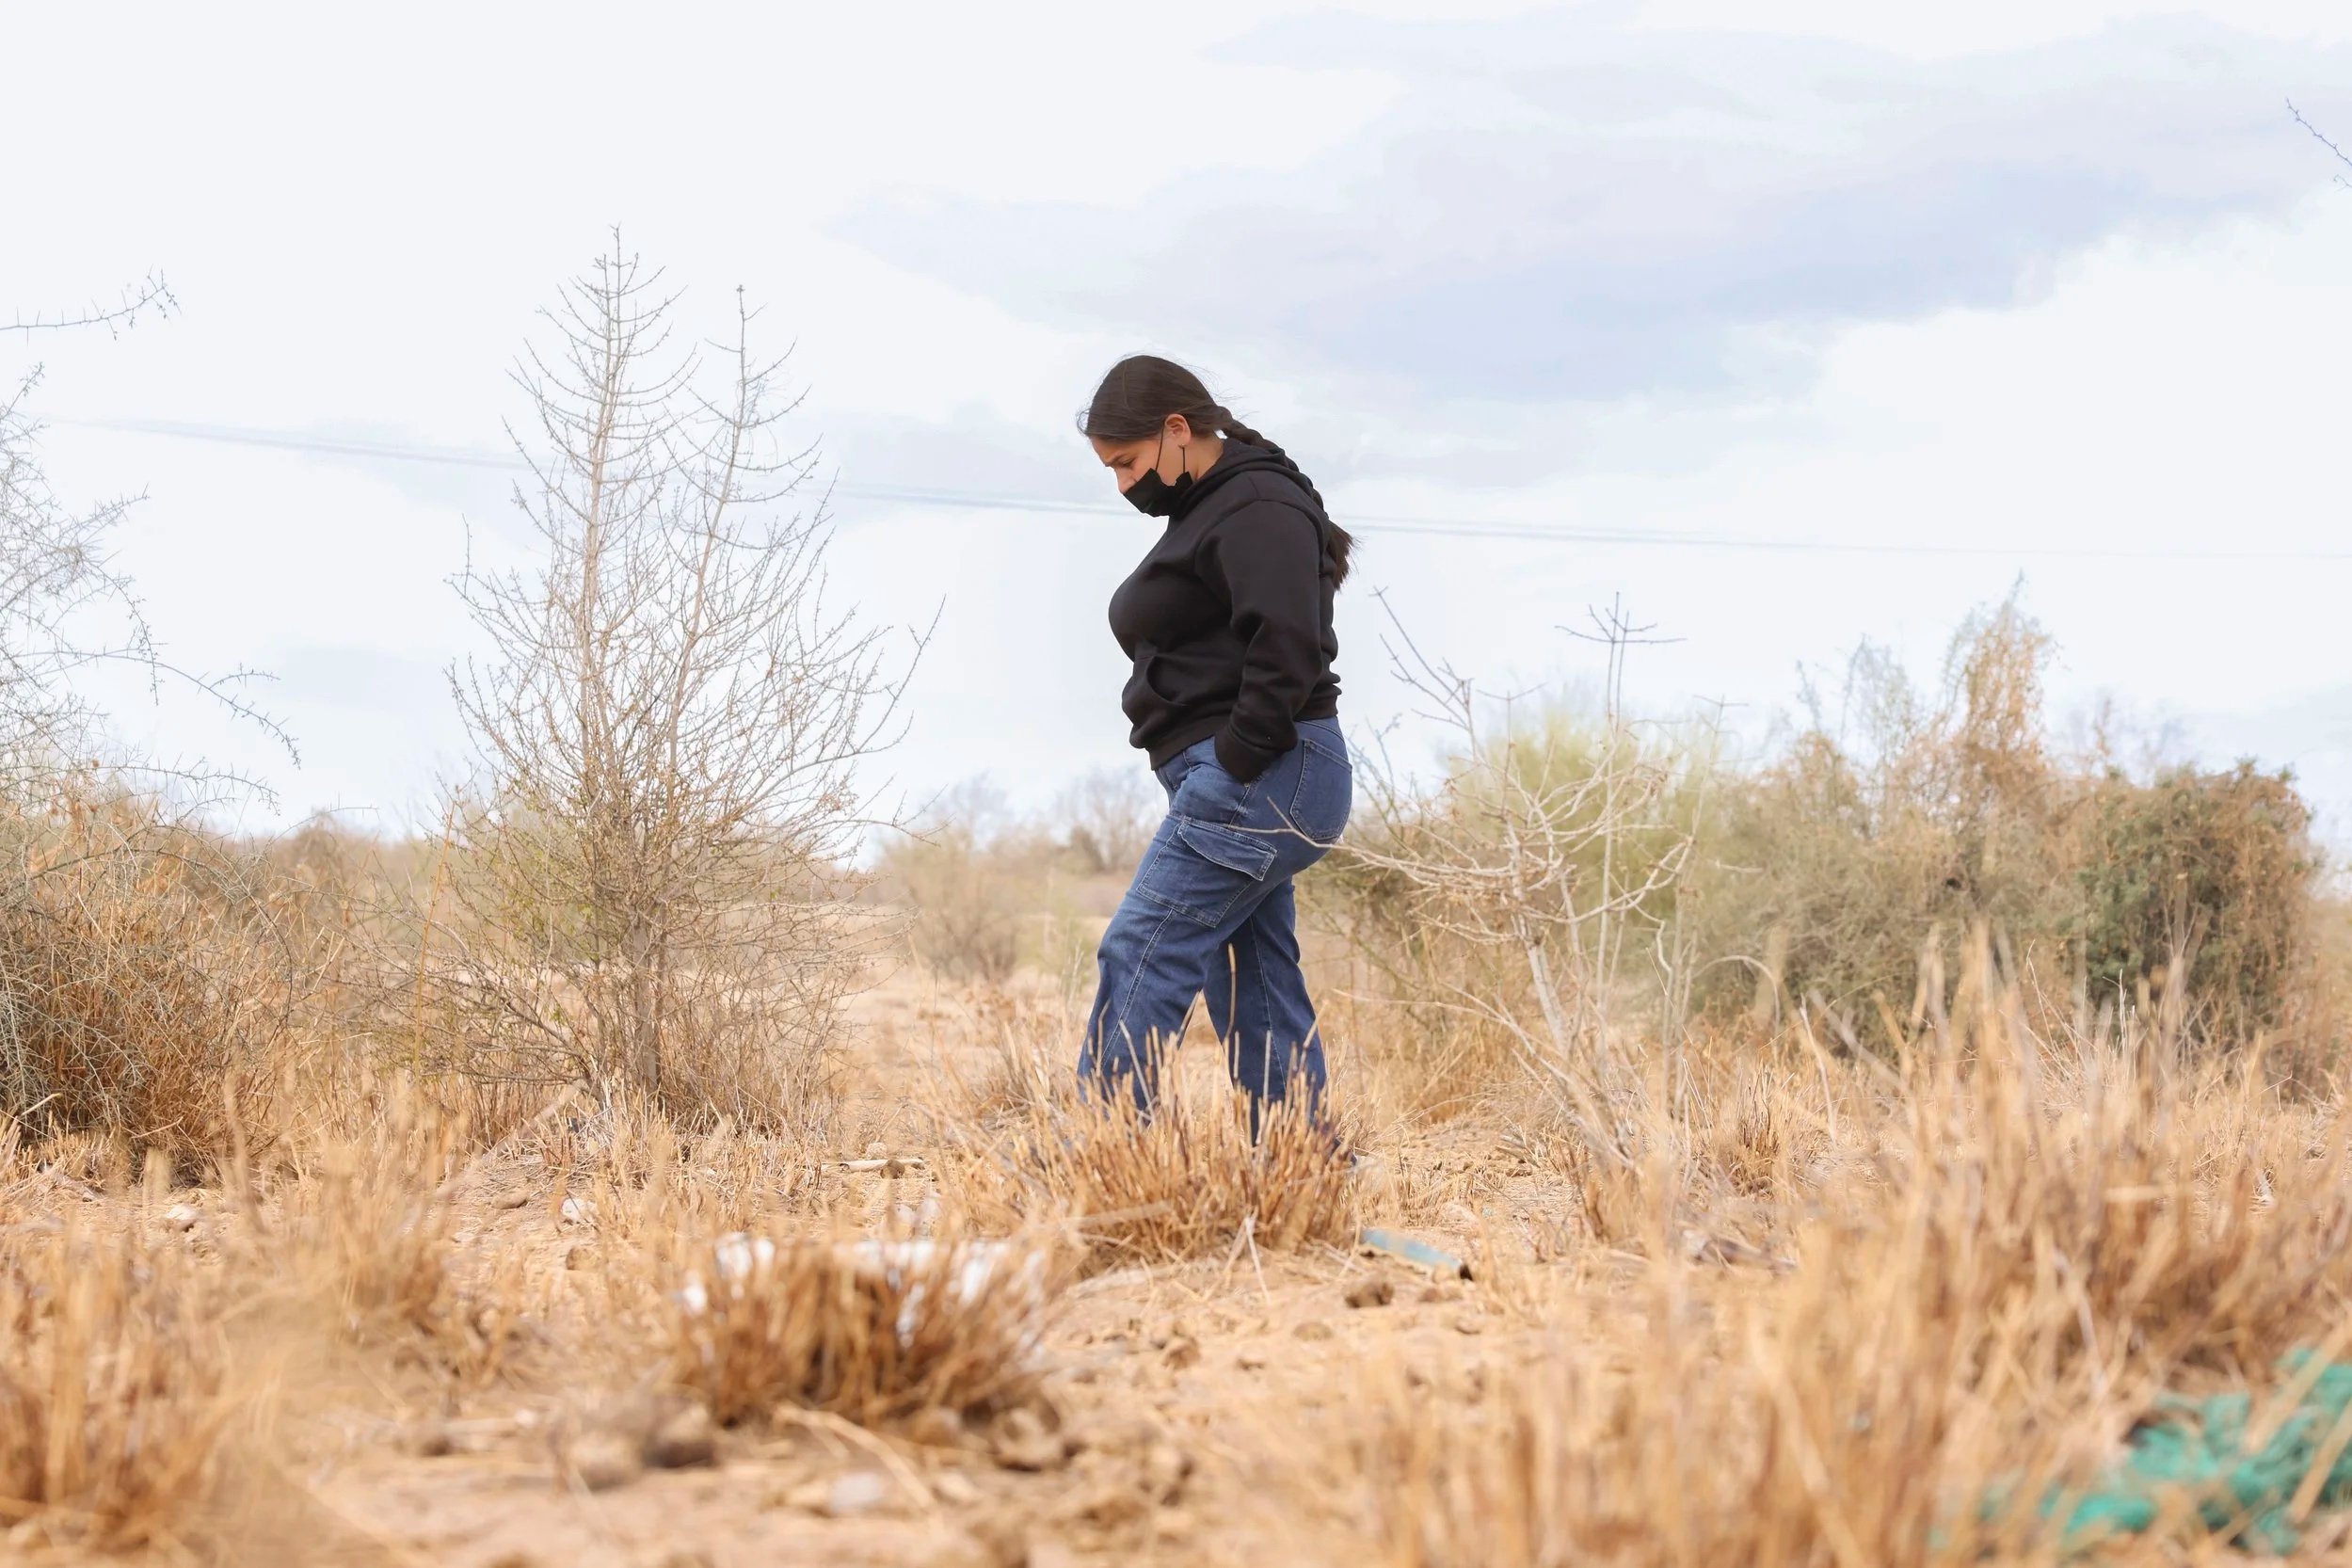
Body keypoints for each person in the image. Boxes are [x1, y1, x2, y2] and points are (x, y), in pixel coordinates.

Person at [1076, 354, 1354, 1135]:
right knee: (1252, 972)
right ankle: (1301, 1160)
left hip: (1268, 769)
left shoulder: (1255, 503)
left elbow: (1288, 648)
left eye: (1127, 462)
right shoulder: (1217, 507)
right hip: (1264, 772)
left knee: (1141, 949)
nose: (1125, 484)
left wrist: (1230, 765)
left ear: (1176, 431)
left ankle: (1103, 1155)